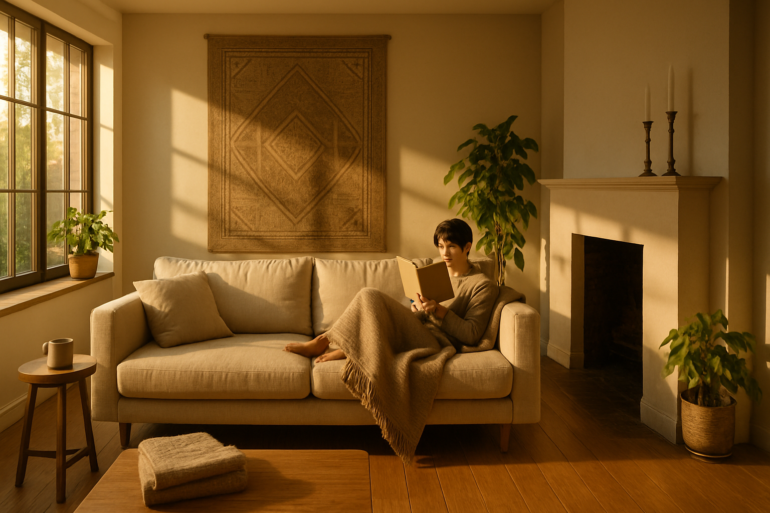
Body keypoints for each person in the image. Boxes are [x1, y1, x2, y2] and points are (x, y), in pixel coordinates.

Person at [284, 218, 498, 361]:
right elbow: (422, 310)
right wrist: (417, 307)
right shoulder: (436, 270)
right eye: (441, 246)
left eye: (451, 246)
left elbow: (471, 334)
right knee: (371, 303)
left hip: (436, 340)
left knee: (370, 295)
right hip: (418, 326)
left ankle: (330, 344)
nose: (445, 253)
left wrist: (438, 310)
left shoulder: (481, 285)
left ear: (467, 247)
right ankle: (334, 344)